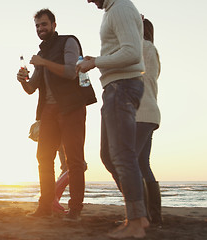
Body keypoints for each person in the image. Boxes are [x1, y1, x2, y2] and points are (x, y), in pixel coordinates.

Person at [17, 9, 96, 221]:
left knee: (74, 160)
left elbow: (72, 71)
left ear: (53, 24)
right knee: (43, 157)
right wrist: (22, 80)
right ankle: (45, 207)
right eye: (37, 26)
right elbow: (32, 87)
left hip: (71, 107)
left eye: (44, 24)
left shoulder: (69, 42)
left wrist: (43, 63)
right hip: (49, 111)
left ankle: (75, 210)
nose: (40, 29)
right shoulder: (41, 54)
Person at [77, 0, 148, 238]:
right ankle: (137, 214)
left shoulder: (121, 8)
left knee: (122, 155)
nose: (88, 0)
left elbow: (132, 52)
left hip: (122, 87)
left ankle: (137, 222)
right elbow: (120, 50)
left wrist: (96, 62)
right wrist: (98, 59)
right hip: (114, 87)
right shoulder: (112, 10)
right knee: (108, 155)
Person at [136, 18, 162, 226]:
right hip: (149, 114)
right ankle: (154, 215)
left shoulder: (143, 48)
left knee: (132, 162)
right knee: (142, 163)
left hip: (141, 113)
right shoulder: (151, 50)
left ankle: (143, 214)